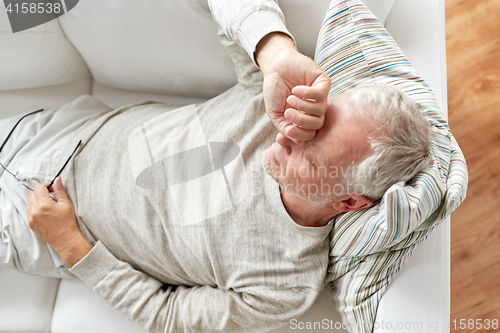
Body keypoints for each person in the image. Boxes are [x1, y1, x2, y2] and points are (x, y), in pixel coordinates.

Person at [0, 1, 448, 332]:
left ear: (349, 200)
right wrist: (275, 54)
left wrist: (70, 244)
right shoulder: (273, 106)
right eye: (311, 122)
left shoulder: (284, 284)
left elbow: (167, 315)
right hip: (62, 132)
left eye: (308, 152)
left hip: (39, 228)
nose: (289, 133)